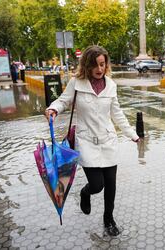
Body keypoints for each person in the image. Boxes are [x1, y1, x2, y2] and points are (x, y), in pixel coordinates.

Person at [44, 45, 140, 236]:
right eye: (95, 65)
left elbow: (117, 113)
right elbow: (63, 101)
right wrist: (53, 109)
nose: (99, 69)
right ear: (87, 66)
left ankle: (109, 219)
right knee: (97, 185)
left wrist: (132, 134)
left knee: (111, 184)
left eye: (102, 64)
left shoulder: (111, 85)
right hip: (86, 141)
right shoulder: (76, 83)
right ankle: (85, 193)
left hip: (108, 140)